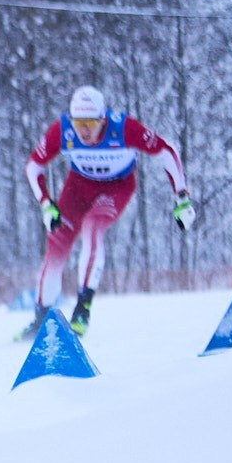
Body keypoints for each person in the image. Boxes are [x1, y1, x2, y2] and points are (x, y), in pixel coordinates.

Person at [23, 85, 193, 336]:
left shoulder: (124, 129)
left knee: (93, 226)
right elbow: (33, 167)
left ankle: (82, 308)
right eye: (79, 123)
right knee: (57, 241)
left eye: (90, 124)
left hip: (116, 188)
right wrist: (46, 204)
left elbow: (166, 153)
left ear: (103, 120)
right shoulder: (62, 130)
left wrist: (182, 198)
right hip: (78, 186)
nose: (83, 131)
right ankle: (41, 317)